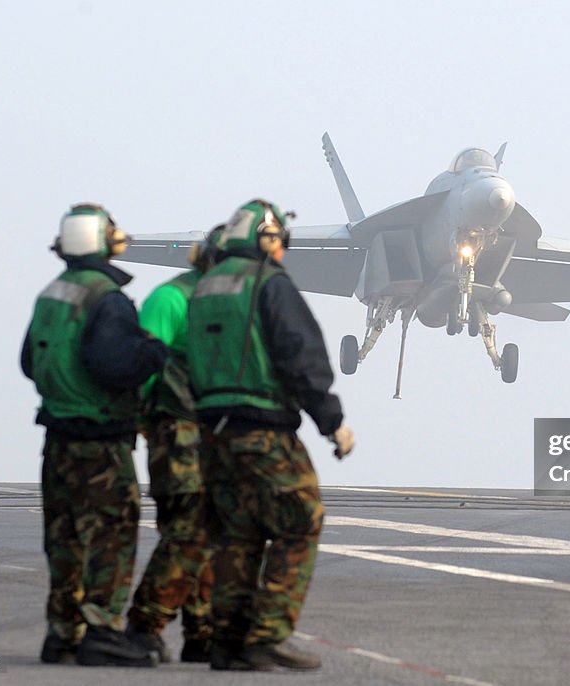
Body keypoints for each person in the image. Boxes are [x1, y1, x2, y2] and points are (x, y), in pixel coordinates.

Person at [187, 199, 355, 671]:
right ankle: (267, 634)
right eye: (278, 239)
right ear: (265, 239)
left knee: (237, 535)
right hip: (263, 428)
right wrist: (332, 422)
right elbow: (301, 354)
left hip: (213, 433)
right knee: (300, 518)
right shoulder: (269, 284)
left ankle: (228, 643)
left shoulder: (205, 288)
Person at [21, 203, 168, 667]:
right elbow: (113, 365)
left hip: (57, 437)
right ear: (104, 241)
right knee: (110, 535)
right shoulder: (106, 298)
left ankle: (63, 633)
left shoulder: (52, 294)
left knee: (64, 536)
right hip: (100, 439)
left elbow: (29, 361)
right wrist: (153, 353)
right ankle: (102, 629)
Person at [125, 226, 224, 663]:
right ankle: (144, 626)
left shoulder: (230, 303)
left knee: (213, 532)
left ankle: (202, 632)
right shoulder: (171, 300)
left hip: (216, 433)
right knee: (187, 530)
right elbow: (142, 367)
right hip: (177, 431)